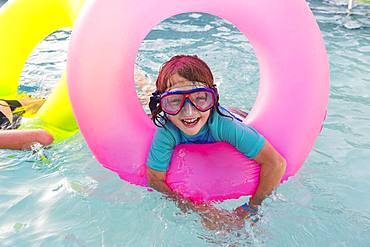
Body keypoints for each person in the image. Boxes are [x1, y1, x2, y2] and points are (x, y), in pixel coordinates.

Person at [146, 55, 287, 230]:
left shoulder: (224, 125)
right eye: (174, 100)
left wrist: (252, 206)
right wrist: (198, 209)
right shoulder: (167, 130)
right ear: (162, 104)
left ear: (213, 99)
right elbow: (154, 178)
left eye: (200, 98)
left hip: (238, 116)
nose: (189, 112)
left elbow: (276, 163)